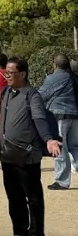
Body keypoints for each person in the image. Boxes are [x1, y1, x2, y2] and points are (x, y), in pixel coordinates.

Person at [0, 58, 62, 236]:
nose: (6, 76)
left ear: (23, 74)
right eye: (6, 72)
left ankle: (36, 234)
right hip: (8, 154)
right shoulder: (6, 92)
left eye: (11, 73)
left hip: (27, 154)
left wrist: (48, 139)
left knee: (32, 196)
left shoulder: (32, 95)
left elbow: (39, 118)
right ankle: (19, 232)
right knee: (14, 196)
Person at [38, 54, 78, 191]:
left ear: (54, 64)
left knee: (60, 147)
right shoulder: (73, 77)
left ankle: (62, 181)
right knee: (75, 146)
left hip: (59, 116)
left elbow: (42, 95)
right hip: (75, 115)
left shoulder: (53, 77)